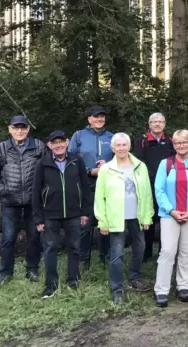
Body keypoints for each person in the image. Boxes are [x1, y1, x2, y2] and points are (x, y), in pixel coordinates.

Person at [95, 133, 154, 304]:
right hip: (116, 217)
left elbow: (146, 193)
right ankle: (117, 288)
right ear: (113, 148)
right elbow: (100, 197)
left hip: (137, 215)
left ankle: (135, 277)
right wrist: (102, 221)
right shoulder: (106, 169)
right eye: (118, 145)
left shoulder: (140, 166)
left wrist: (147, 217)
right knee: (117, 253)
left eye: (124, 145)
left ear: (129, 147)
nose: (121, 148)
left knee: (140, 248)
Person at [153, 130, 188, 307]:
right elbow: (159, 190)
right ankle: (161, 290)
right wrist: (171, 211)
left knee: (187, 251)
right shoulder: (166, 164)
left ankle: (183, 286)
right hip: (170, 215)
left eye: (184, 142)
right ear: (173, 144)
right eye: (177, 143)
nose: (181, 146)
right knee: (168, 251)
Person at [0, 115, 46, 287]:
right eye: (16, 128)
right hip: (10, 201)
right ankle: (5, 273)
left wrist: (40, 193)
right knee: (8, 238)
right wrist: (3, 190)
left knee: (34, 236)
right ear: (10, 129)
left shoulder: (38, 146)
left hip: (33, 201)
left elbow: (46, 171)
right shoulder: (1, 148)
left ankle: (32, 269)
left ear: (28, 129)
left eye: (23, 127)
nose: (19, 131)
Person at [32, 131, 91, 298]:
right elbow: (36, 192)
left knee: (74, 248)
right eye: (54, 142)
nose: (58, 145)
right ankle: (51, 285)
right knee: (50, 248)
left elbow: (85, 187)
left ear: (67, 142)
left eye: (61, 142)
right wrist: (38, 218)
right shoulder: (42, 163)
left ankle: (74, 281)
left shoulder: (76, 160)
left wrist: (85, 211)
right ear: (49, 145)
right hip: (50, 215)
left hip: (74, 214)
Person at [69, 105, 114, 267]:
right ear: (89, 119)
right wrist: (90, 171)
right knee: (84, 225)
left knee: (106, 223)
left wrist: (108, 164)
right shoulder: (79, 136)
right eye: (96, 117)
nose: (99, 119)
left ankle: (106, 258)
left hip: (108, 187)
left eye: (102, 116)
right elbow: (71, 159)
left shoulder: (112, 137)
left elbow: (121, 160)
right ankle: (83, 260)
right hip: (85, 186)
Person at [133, 112, 174, 262]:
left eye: (160, 121)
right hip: (148, 186)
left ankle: (165, 250)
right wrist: (152, 178)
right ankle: (147, 252)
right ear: (149, 124)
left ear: (164, 124)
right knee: (148, 218)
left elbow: (175, 161)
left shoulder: (171, 140)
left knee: (165, 218)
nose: (157, 124)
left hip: (167, 187)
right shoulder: (141, 141)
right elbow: (139, 162)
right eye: (154, 122)